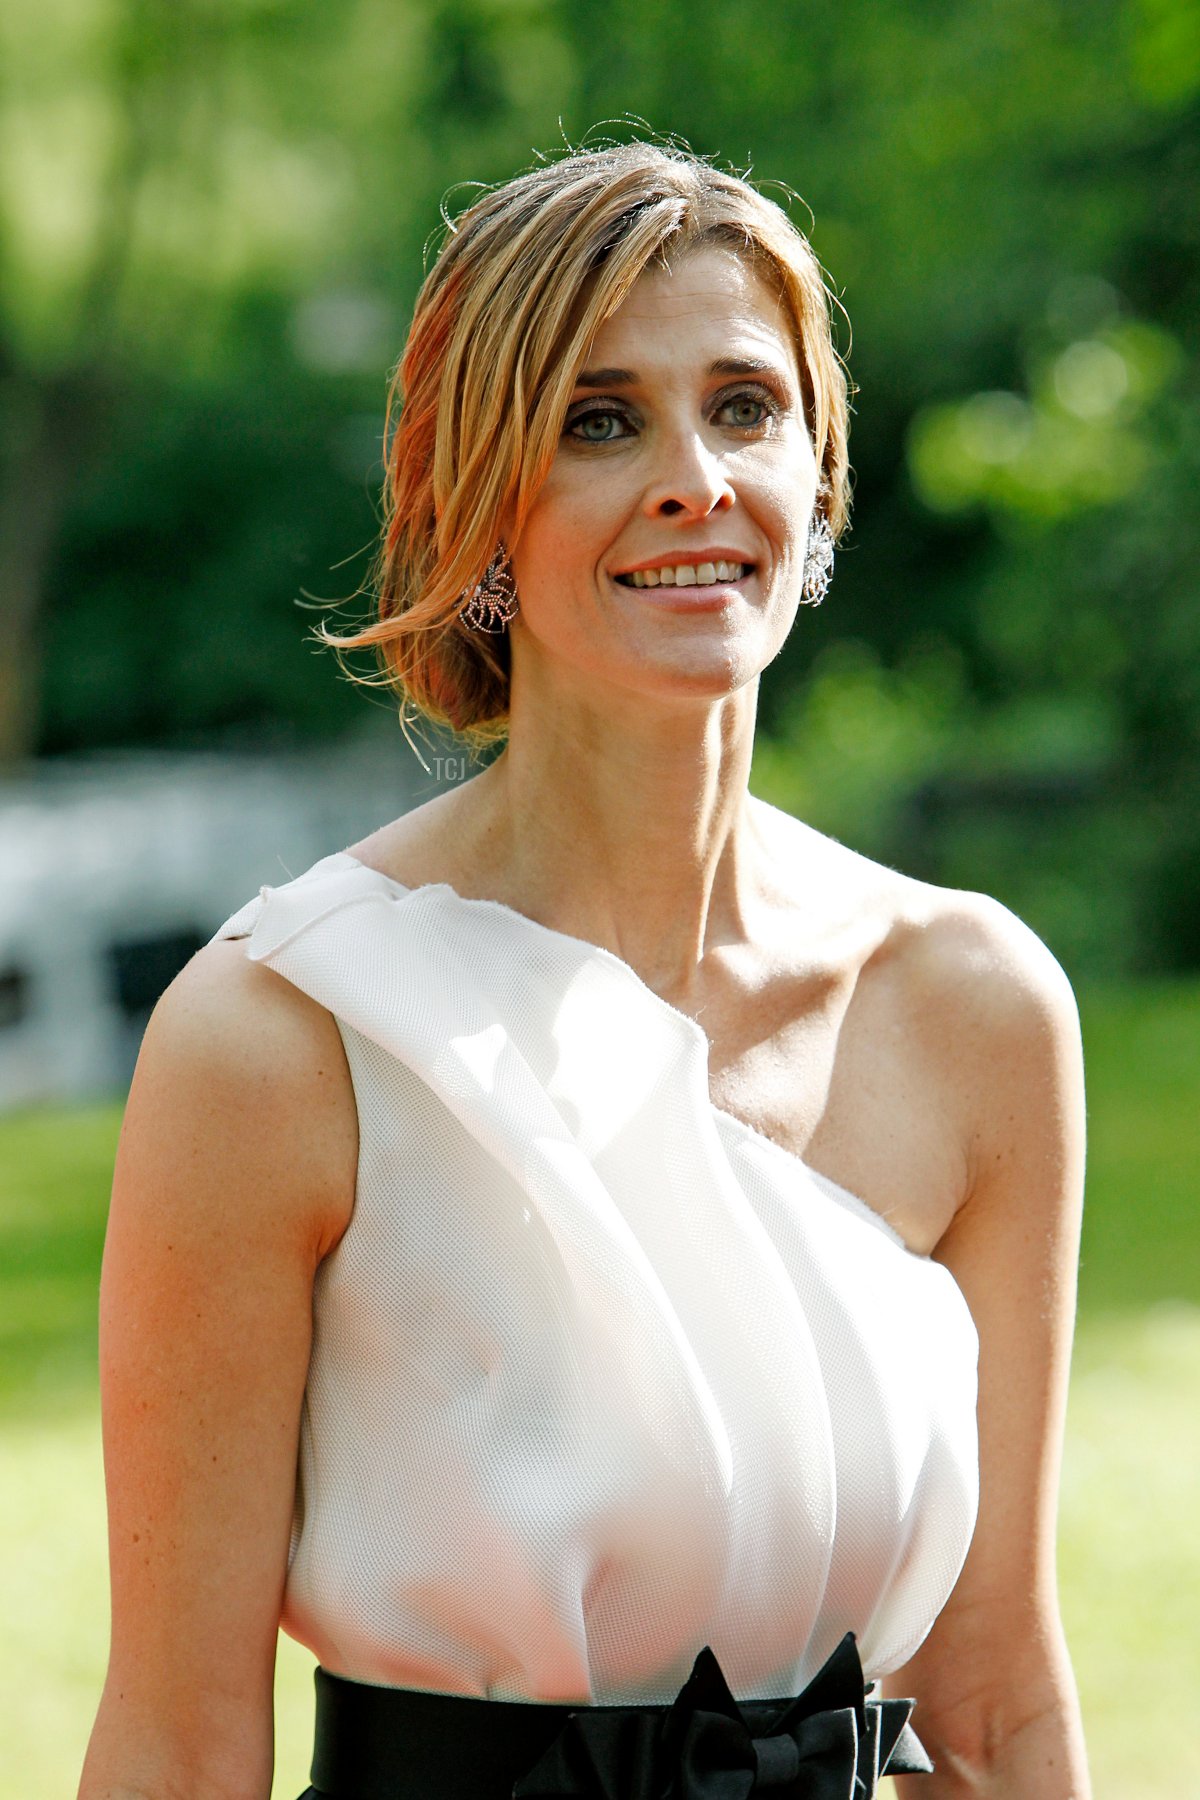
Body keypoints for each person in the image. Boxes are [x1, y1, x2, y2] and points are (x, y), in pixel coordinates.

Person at [78, 141, 1092, 1800]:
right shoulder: (284, 1035)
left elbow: (995, 1707)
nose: (693, 477)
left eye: (745, 407)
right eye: (598, 420)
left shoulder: (973, 1007)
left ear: (819, 472)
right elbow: (181, 1741)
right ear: (472, 497)